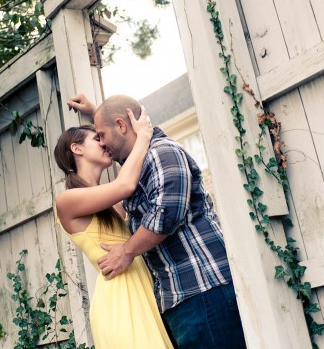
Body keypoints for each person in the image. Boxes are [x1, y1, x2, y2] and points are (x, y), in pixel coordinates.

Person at [67, 93, 247, 349]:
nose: (103, 143)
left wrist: (126, 251)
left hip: (203, 288)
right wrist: (98, 114)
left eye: (101, 135)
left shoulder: (162, 153)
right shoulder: (133, 168)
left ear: (121, 125)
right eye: (97, 138)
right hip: (176, 297)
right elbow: (124, 162)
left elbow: (166, 215)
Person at [55, 108, 173, 348]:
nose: (104, 143)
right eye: (97, 139)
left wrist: (93, 112)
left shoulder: (114, 205)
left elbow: (122, 142)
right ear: (77, 149)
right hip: (120, 301)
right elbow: (126, 183)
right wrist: (143, 136)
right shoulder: (67, 201)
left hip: (143, 293)